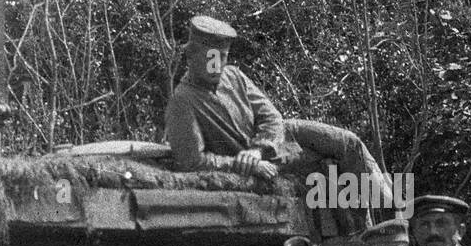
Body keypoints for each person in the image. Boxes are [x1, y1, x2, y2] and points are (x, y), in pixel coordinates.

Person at [164, 15, 395, 219]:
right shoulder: (183, 100)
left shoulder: (234, 76)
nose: (217, 66)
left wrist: (258, 149)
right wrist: (245, 163)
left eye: (222, 57)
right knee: (329, 168)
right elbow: (192, 161)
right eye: (209, 58)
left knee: (349, 144)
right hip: (264, 160)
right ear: (191, 56)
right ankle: (373, 228)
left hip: (280, 136)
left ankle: (394, 214)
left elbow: (272, 116)